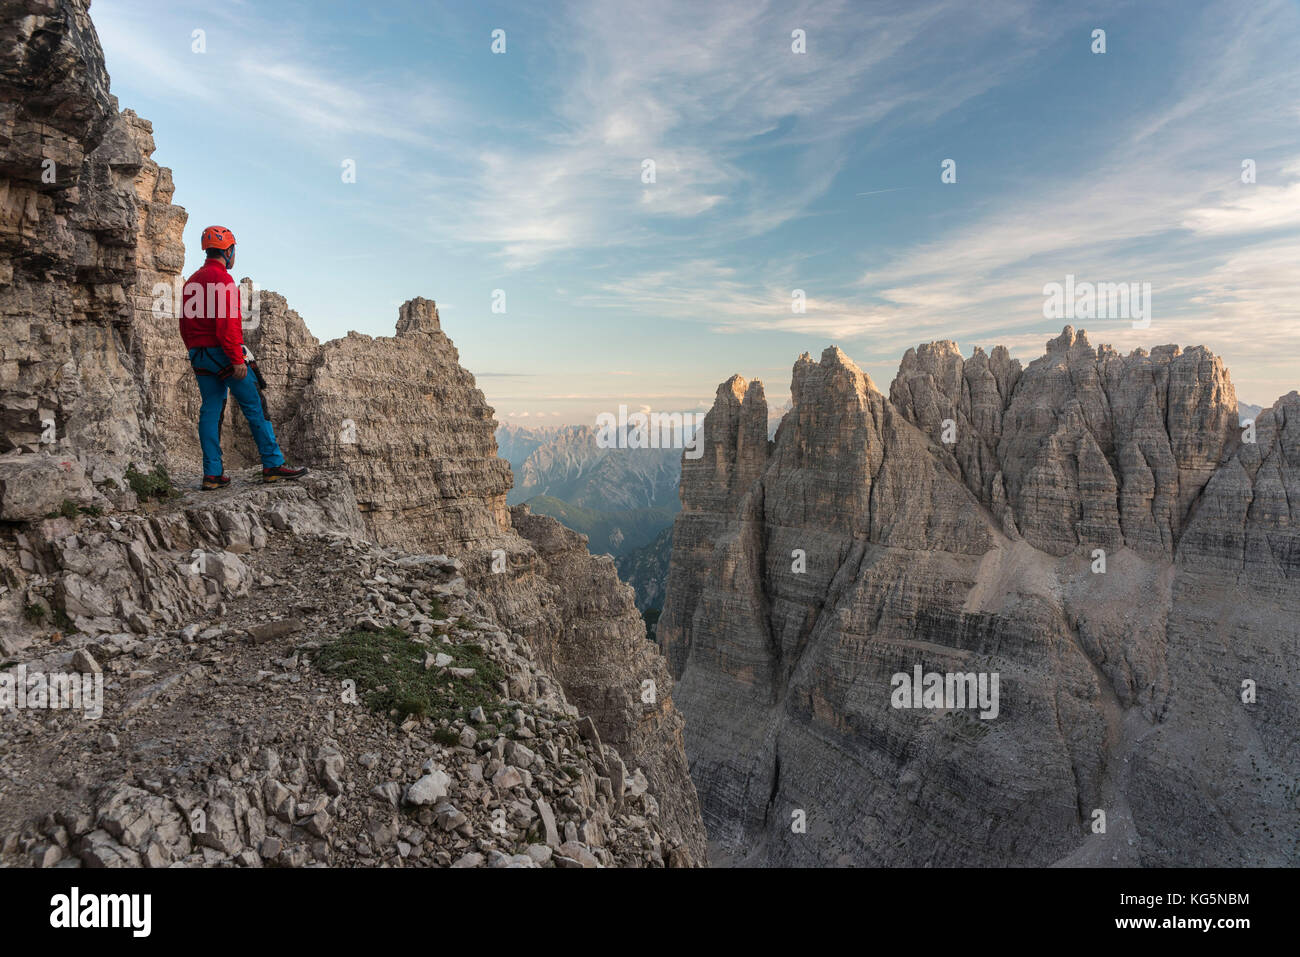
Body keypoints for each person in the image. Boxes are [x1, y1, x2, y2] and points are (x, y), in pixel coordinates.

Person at [179, 226, 307, 490]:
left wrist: (194, 351)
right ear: (229, 251)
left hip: (198, 354)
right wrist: (236, 358)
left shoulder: (192, 281)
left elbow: (184, 323)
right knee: (255, 405)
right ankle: (273, 464)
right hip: (222, 353)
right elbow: (227, 325)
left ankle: (212, 474)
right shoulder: (223, 280)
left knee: (211, 410)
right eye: (233, 250)